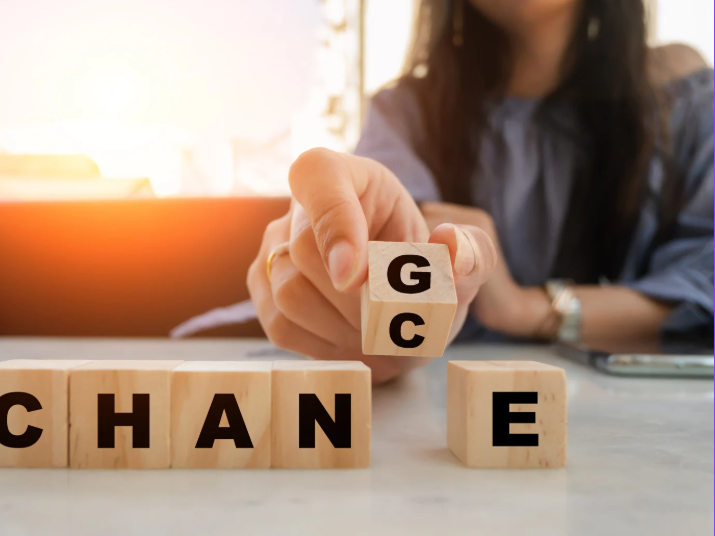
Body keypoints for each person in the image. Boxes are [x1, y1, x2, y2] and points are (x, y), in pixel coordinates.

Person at [247, 0, 714, 384]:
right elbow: (390, 246)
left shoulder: (684, 102)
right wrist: (345, 265)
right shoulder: (405, 113)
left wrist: (525, 308)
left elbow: (703, 281)